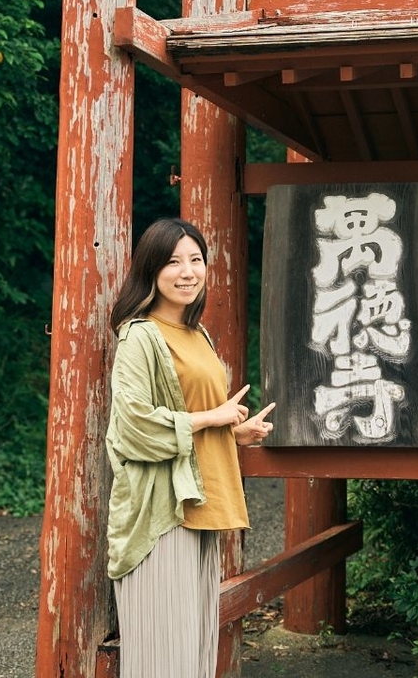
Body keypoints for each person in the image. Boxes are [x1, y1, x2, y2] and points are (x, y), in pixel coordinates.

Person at [104, 217, 274, 678]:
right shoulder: (140, 335)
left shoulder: (198, 334)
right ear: (151, 271)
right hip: (161, 512)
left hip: (203, 503)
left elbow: (194, 419)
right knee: (163, 656)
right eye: (173, 262)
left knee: (195, 651)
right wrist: (212, 417)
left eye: (196, 260)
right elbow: (133, 426)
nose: (187, 272)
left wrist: (232, 432)